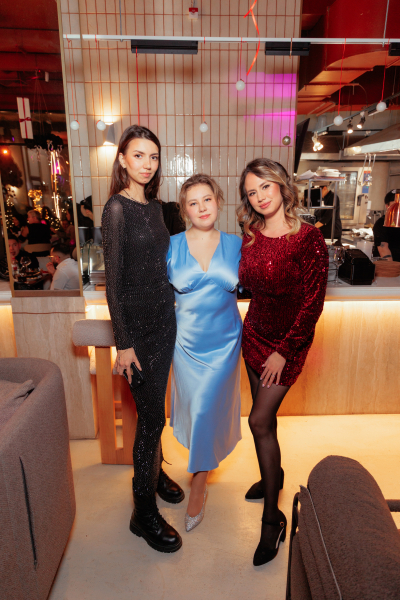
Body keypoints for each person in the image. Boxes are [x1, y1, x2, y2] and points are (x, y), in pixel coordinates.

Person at [237, 158, 328, 566]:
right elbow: (247, 285)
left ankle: (272, 519)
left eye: (265, 187)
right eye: (251, 192)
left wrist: (284, 350)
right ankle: (271, 478)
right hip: (254, 335)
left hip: (286, 345)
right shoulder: (252, 234)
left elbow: (312, 304)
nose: (259, 197)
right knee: (267, 422)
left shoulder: (308, 238)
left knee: (258, 421)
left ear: (281, 185)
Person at [101, 124, 183, 554]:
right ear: (122, 159)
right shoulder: (116, 209)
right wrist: (124, 343)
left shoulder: (155, 207)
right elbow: (113, 285)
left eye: (153, 157)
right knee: (152, 418)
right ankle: (142, 512)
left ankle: (156, 471)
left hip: (164, 323)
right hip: (136, 333)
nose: (147, 164)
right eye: (138, 155)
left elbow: (164, 264)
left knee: (154, 412)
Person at [167, 174, 242, 532]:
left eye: (207, 199)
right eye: (193, 203)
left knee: (207, 408)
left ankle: (198, 483)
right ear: (184, 210)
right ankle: (201, 471)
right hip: (185, 343)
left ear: (218, 201)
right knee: (196, 410)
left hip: (225, 342)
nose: (201, 208)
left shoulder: (238, 244)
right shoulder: (170, 246)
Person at [376, 189, 400, 261]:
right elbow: (383, 249)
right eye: (396, 205)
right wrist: (392, 266)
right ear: (387, 206)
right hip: (394, 264)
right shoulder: (381, 223)